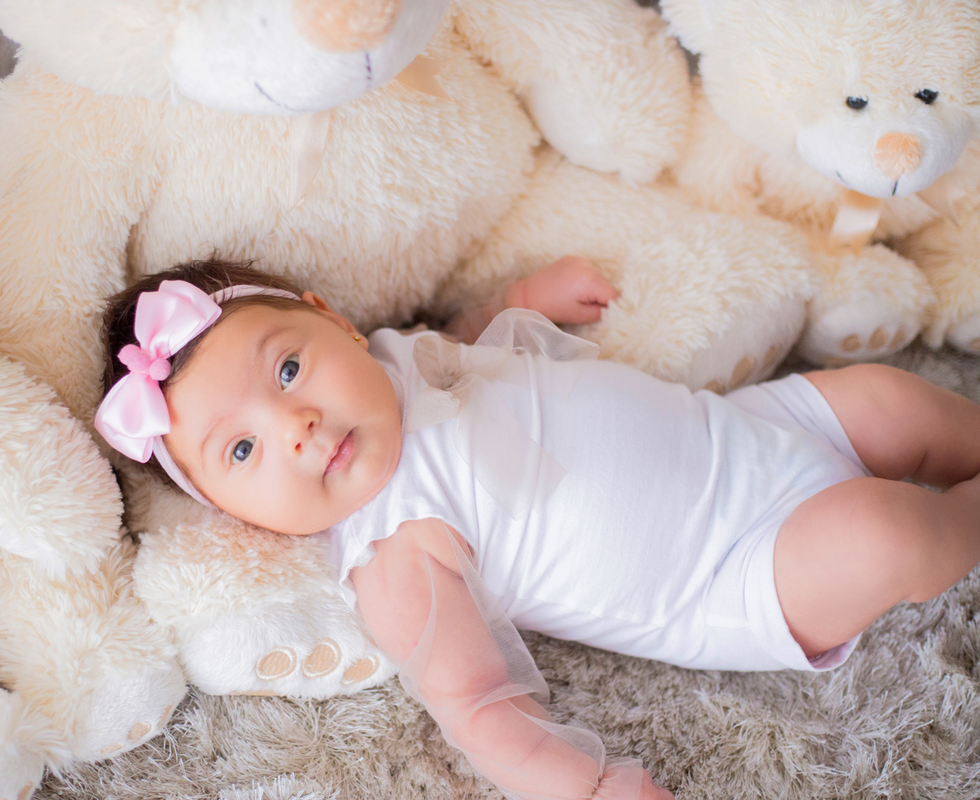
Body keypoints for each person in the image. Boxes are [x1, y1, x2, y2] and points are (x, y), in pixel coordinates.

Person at [94, 258, 980, 800]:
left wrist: (526, 296)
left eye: (289, 367)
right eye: (242, 450)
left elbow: (473, 337)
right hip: (733, 572)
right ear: (236, 517)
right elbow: (478, 709)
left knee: (888, 396)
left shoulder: (403, 356)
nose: (294, 425)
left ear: (334, 322)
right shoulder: (393, 553)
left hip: (752, 429)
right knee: (887, 536)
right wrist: (588, 786)